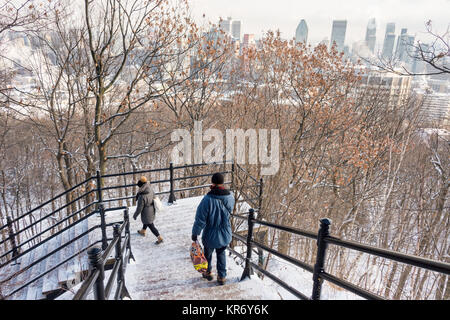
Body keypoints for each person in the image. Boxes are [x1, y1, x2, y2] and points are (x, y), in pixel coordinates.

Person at [191, 172, 235, 285]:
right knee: (221, 254)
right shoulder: (230, 197)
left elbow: (200, 219)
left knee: (207, 254)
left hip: (210, 233)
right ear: (222, 182)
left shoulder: (207, 199)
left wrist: (195, 233)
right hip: (225, 232)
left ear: (213, 182)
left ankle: (208, 272)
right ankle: (222, 276)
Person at [133, 176, 163, 245]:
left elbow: (139, 208)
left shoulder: (142, 196)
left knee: (150, 225)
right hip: (152, 209)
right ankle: (143, 231)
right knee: (146, 221)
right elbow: (154, 197)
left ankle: (159, 237)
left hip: (146, 211)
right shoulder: (150, 188)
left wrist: (135, 215)